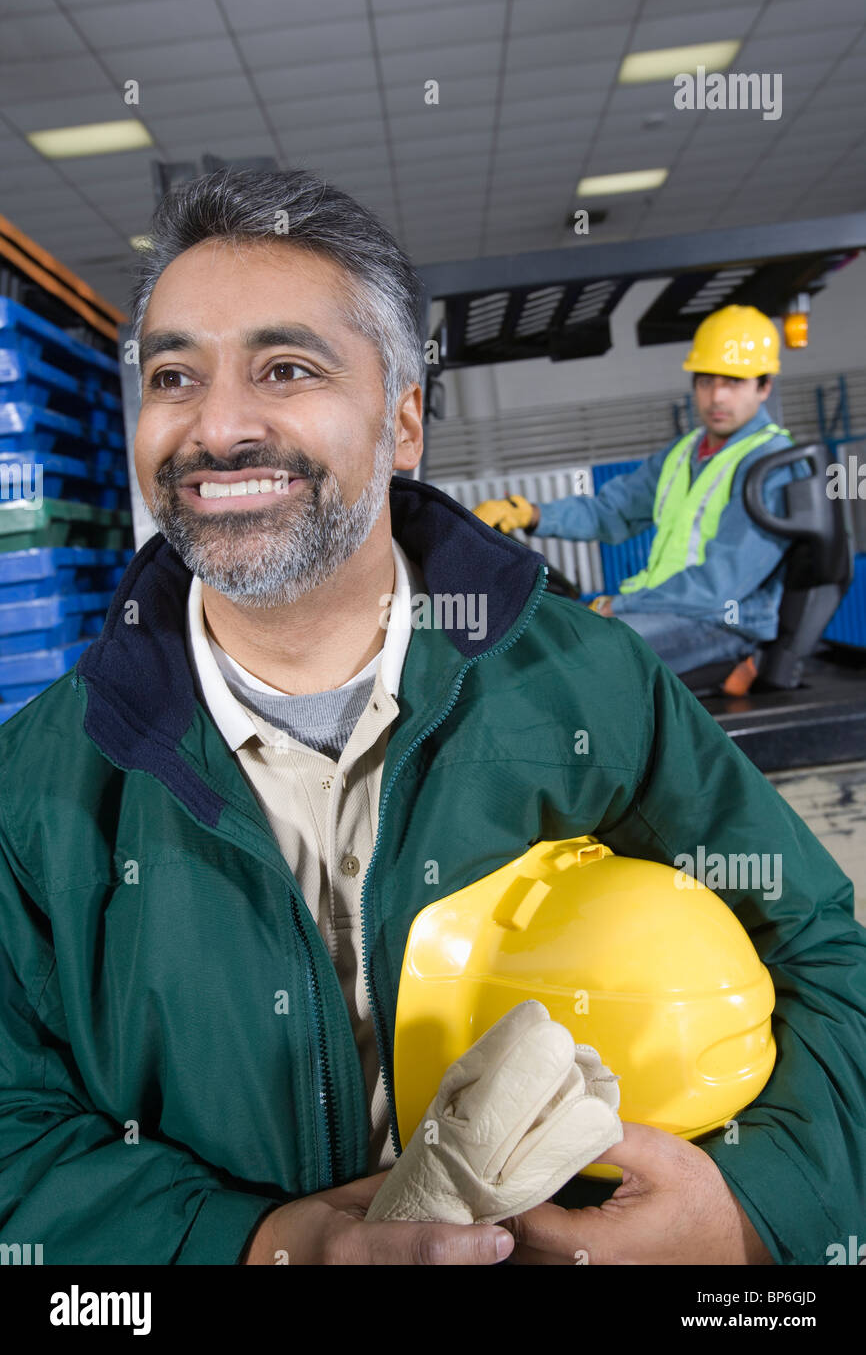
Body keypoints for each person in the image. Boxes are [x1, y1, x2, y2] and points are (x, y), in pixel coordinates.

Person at [0, 170, 864, 1267]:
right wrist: (260, 1246)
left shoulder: (591, 687)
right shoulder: (37, 789)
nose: (215, 425)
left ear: (402, 419)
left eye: (285, 368)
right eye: (174, 374)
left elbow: (822, 952)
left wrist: (751, 1210)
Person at [474, 306, 798, 681]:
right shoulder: (684, 453)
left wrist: (622, 605)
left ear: (764, 387)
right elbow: (610, 512)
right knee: (545, 640)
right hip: (669, 610)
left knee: (576, 661)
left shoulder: (772, 464)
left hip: (722, 623)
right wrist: (530, 513)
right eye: (707, 381)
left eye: (733, 382)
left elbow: (719, 586)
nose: (717, 397)